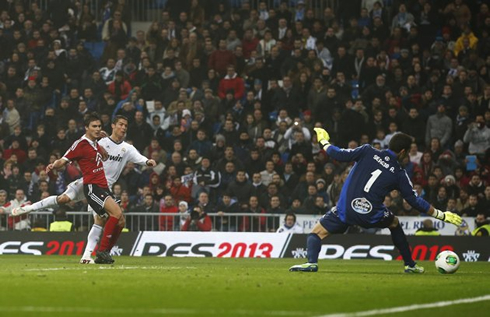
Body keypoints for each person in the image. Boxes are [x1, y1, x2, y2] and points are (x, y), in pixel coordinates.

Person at [290, 128, 462, 273]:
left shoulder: (367, 151)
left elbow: (338, 154)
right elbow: (415, 201)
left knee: (315, 233)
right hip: (371, 214)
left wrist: (324, 142)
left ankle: (312, 262)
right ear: (403, 152)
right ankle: (410, 265)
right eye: (408, 152)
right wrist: (441, 215)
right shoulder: (399, 173)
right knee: (394, 222)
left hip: (346, 210)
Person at [12, 115, 156, 264]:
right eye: (121, 124)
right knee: (64, 199)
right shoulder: (97, 141)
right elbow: (71, 154)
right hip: (90, 183)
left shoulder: (120, 147)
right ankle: (29, 208)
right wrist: (55, 164)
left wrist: (147, 161)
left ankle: (87, 255)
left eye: (126, 125)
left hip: (104, 186)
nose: (123, 128)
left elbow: (138, 157)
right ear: (113, 126)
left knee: (104, 219)